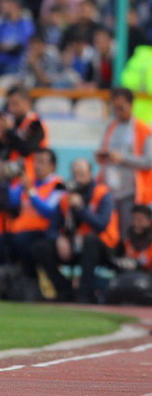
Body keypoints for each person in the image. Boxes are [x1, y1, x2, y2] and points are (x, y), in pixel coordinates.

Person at [34, 159, 118, 303]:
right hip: (74, 245)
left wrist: (80, 208)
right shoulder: (66, 198)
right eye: (75, 174)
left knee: (90, 240)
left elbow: (101, 225)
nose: (78, 179)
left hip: (104, 246)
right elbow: (52, 227)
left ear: (90, 174)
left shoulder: (102, 194)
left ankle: (84, 294)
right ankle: (65, 290)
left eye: (82, 174)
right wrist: (59, 238)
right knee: (41, 247)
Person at [95, 88, 152, 242]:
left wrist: (123, 158)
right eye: (114, 108)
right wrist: (102, 155)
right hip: (110, 189)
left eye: (121, 107)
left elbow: (149, 161)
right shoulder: (111, 126)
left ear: (131, 105)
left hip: (131, 191)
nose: (118, 112)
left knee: (127, 232)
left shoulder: (142, 129)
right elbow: (104, 150)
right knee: (108, 232)